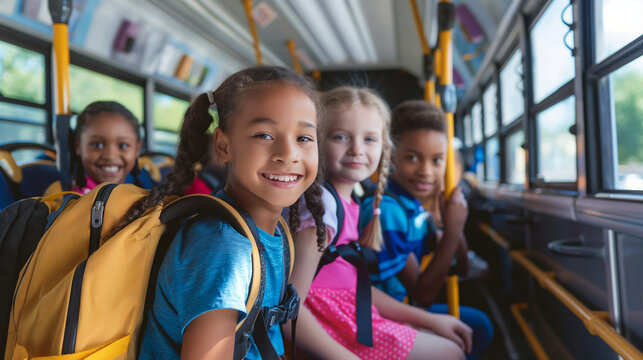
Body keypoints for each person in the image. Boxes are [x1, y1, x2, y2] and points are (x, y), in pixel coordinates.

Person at [116, 66, 326, 359]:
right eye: (264, 135)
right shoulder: (224, 248)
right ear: (223, 146)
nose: (288, 153)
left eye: (304, 138)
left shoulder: (274, 230)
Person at [286, 86, 471, 360]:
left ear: (384, 147)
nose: (357, 150)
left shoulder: (347, 204)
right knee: (452, 353)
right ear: (315, 140)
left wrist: (430, 320)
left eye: (370, 139)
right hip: (330, 326)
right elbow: (289, 309)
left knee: (451, 342)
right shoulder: (322, 208)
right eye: (340, 137)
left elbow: (352, 289)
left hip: (349, 314)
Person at [360, 100, 493, 359]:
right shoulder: (387, 210)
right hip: (377, 316)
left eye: (437, 161)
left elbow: (460, 267)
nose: (425, 172)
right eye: (412, 158)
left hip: (400, 308)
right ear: (391, 154)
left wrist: (450, 220)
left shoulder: (414, 207)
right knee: (474, 330)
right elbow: (423, 295)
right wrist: (453, 230)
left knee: (479, 326)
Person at [70, 101, 144, 194]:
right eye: (97, 145)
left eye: (123, 146)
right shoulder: (66, 201)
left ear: (137, 149)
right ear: (78, 146)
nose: (110, 156)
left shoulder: (144, 197)